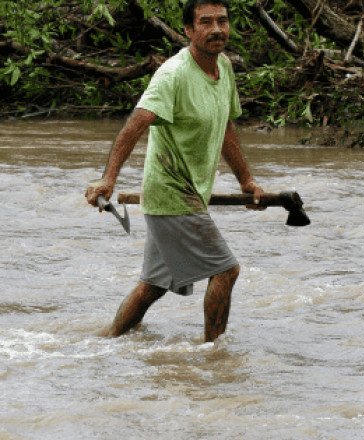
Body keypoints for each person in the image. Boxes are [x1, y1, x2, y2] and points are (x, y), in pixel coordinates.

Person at [85, 0, 263, 342]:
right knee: (226, 270)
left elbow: (224, 126)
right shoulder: (173, 74)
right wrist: (109, 179)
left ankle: (107, 342)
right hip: (171, 192)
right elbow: (134, 126)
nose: (216, 29)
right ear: (188, 30)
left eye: (222, 21)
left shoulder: (223, 67)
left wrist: (246, 180)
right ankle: (212, 354)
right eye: (206, 22)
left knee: (153, 285)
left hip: (187, 193)